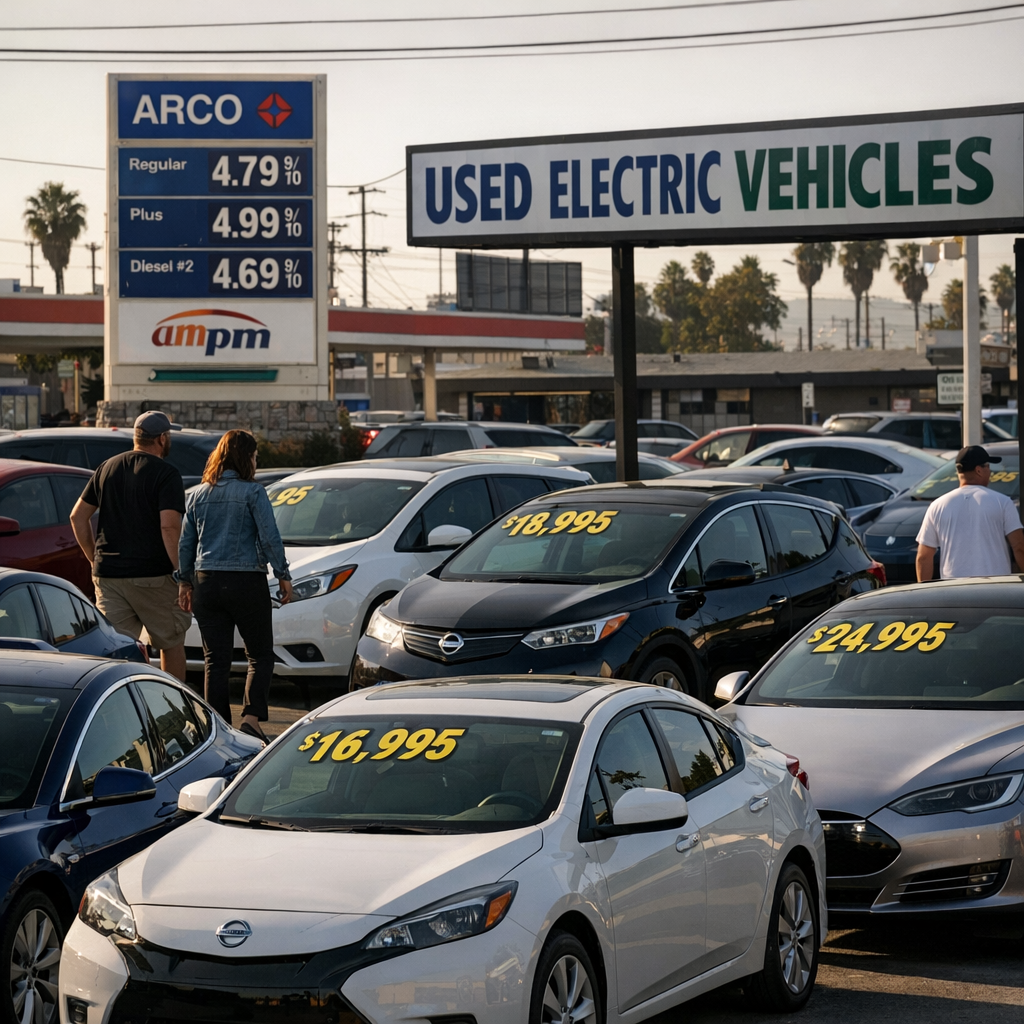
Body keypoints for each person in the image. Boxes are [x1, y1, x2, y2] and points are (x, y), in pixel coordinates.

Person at [178, 429, 293, 742]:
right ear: (247, 458)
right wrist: (283, 573)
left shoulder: (198, 494)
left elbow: (186, 542)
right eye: (255, 455)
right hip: (245, 580)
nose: (256, 461)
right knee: (260, 655)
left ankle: (218, 728)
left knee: (215, 660)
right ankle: (251, 720)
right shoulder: (253, 493)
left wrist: (185, 582)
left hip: (206, 582)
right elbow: (269, 536)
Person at [71, 410, 190, 680]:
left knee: (116, 651)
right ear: (162, 438)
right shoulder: (166, 474)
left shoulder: (106, 467)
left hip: (109, 576)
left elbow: (77, 517)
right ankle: (173, 710)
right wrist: (181, 575)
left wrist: (94, 559)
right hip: (153, 577)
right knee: (170, 642)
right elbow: (169, 527)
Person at [916, 444, 1024, 581]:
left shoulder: (937, 506)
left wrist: (924, 595)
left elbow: (924, 557)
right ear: (979, 470)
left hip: (953, 590)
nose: (990, 472)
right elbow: (1019, 547)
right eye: (988, 466)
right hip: (996, 589)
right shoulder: (1003, 502)